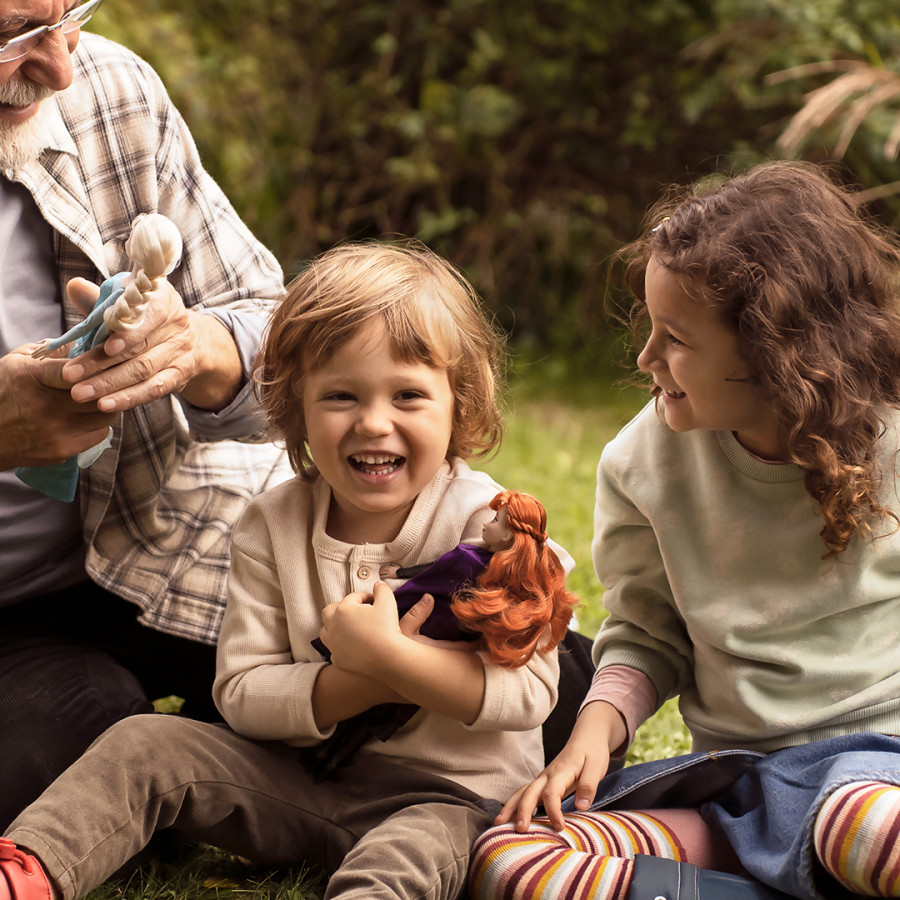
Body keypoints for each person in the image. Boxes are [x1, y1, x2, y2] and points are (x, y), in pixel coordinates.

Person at [0, 240, 574, 900]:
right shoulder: (272, 524)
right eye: (340, 395)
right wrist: (346, 682)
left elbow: (527, 696)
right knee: (144, 743)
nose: (373, 423)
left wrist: (391, 661)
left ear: (461, 405)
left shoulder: (489, 527)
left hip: (446, 800)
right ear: (294, 407)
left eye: (409, 395)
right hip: (296, 784)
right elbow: (243, 693)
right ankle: (31, 871)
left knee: (403, 859)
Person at [468, 160, 900, 900]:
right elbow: (645, 633)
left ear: (776, 351)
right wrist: (591, 736)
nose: (646, 359)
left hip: (874, 776)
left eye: (675, 338)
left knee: (863, 826)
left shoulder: (889, 435)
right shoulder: (641, 462)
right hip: (740, 794)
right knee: (513, 857)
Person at [0, 0, 290, 830]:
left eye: (71, 14)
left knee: (525, 676)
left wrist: (200, 349)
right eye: (9, 38)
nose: (58, 65)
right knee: (86, 740)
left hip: (150, 535)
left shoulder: (109, 87)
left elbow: (277, 329)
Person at [308, 488, 580, 778]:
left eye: (497, 522)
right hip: (432, 637)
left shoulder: (479, 562)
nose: (487, 526)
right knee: (366, 723)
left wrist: (397, 655)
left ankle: (329, 758)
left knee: (362, 723)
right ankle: (330, 757)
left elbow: (432, 572)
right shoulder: (491, 567)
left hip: (422, 634)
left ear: (510, 537)